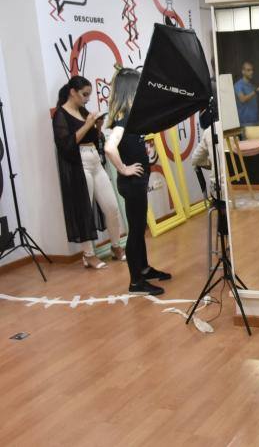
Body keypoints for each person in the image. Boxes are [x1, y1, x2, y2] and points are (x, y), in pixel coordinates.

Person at [104, 68, 172, 296]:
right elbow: (109, 148)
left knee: (139, 228)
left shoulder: (131, 120)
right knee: (135, 231)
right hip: (132, 184)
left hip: (136, 183)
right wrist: (124, 169)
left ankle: (143, 269)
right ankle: (136, 282)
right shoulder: (123, 121)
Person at [52, 75, 125, 269]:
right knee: (85, 210)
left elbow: (92, 137)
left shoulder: (82, 111)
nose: (87, 99)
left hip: (95, 160)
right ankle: (88, 255)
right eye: (84, 94)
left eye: (89, 95)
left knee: (111, 206)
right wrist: (87, 125)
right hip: (79, 163)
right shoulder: (60, 114)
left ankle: (116, 246)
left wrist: (97, 126)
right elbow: (65, 144)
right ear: (72, 92)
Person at [234, 61, 259, 126]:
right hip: (245, 123)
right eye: (248, 70)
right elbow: (242, 99)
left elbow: (256, 104)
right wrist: (257, 91)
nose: (251, 72)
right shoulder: (238, 85)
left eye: (252, 70)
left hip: (256, 122)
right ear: (243, 71)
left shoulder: (252, 86)